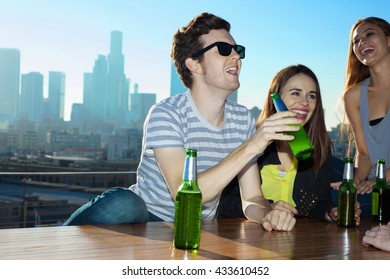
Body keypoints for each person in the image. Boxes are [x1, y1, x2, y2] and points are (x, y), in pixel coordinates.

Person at [64, 12, 302, 231]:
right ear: (194, 64)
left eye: (237, 49)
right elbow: (184, 192)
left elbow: (251, 199)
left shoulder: (242, 119)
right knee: (124, 202)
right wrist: (251, 145)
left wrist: (267, 214)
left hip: (196, 228)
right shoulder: (166, 113)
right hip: (146, 219)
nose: (236, 56)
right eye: (223, 49)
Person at [218, 64, 361, 224]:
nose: (305, 102)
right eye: (295, 93)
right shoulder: (251, 142)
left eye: (311, 96)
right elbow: (225, 204)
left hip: (294, 239)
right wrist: (267, 209)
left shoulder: (319, 147)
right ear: (276, 98)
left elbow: (319, 202)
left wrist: (332, 212)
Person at [339, 17, 390, 194]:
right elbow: (365, 154)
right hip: (374, 185)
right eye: (356, 41)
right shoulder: (353, 96)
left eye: (369, 34)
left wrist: (382, 179)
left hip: (381, 183)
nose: (362, 42)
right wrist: (354, 183)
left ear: (388, 40)